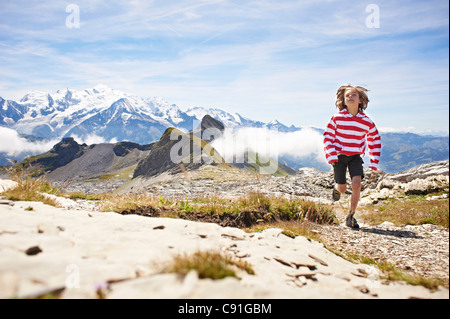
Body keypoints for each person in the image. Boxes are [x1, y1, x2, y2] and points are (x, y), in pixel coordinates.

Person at [323, 84, 381, 228]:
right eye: (347, 95)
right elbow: (327, 137)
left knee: (357, 184)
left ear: (360, 100)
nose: (350, 97)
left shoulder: (366, 121)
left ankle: (351, 216)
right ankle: (336, 188)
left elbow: (374, 138)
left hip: (355, 156)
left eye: (354, 95)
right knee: (342, 189)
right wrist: (331, 156)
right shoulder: (337, 118)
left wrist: (374, 161)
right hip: (339, 157)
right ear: (343, 101)